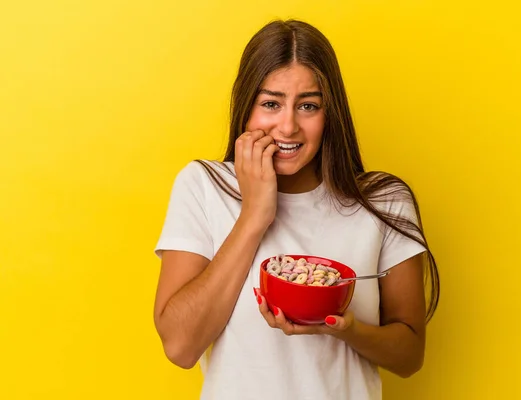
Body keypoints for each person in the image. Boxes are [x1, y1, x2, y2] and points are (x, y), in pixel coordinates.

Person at [152, 19, 440, 400]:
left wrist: (345, 328)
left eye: (308, 106)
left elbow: (409, 356)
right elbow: (179, 346)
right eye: (270, 103)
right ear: (246, 108)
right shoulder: (204, 186)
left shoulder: (384, 200)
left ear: (330, 113)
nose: (287, 127)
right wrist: (255, 215)